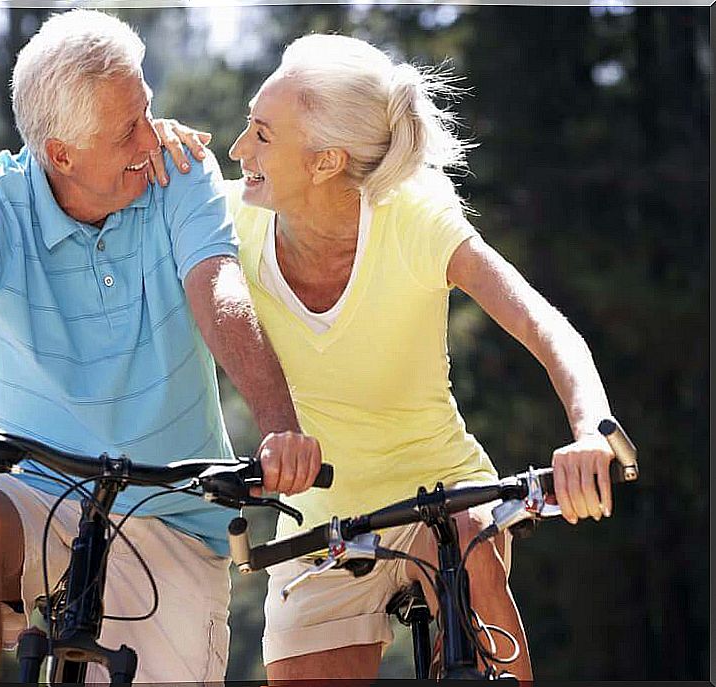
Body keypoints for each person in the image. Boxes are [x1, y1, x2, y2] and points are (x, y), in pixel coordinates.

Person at [0, 10, 322, 683]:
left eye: (146, 111)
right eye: (126, 132)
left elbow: (220, 291)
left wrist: (279, 424)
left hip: (171, 515)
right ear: (60, 153)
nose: (152, 138)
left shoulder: (180, 172)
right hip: (33, 496)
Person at [162, 33, 618, 682]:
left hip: (445, 493)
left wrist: (590, 432)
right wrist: (140, 150)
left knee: (464, 542)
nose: (238, 151)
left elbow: (544, 324)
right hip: (320, 520)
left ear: (326, 161)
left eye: (261, 135)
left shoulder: (415, 214)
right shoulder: (227, 223)